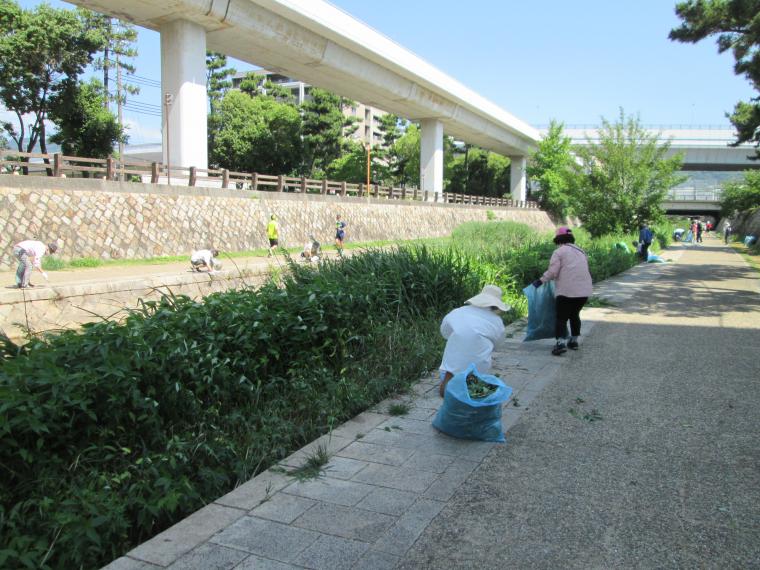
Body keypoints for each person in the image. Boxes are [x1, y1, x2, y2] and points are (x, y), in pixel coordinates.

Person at [532, 227, 593, 356]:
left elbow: (553, 272)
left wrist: (540, 281)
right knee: (575, 314)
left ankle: (560, 344)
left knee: (561, 317)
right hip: (584, 291)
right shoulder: (581, 251)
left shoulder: (559, 252)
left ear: (558, 239)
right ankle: (574, 341)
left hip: (566, 291)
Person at [438, 284, 507, 397]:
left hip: (452, 364)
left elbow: (444, 332)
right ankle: (472, 384)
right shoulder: (497, 321)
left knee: (452, 363)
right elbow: (498, 344)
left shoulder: (457, 312)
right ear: (496, 306)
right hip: (479, 367)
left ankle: (452, 379)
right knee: (478, 375)